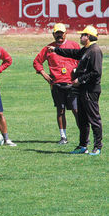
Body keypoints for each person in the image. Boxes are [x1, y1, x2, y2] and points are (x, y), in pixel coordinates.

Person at [48, 25, 103, 156]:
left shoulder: (94, 51)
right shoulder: (86, 50)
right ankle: (83, 146)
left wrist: (80, 80)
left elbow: (96, 73)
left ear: (88, 37)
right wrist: (56, 49)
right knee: (83, 119)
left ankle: (97, 146)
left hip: (90, 91)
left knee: (94, 119)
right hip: (82, 90)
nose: (80, 37)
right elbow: (73, 53)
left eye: (82, 35)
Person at [33, 23, 79, 144]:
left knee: (76, 110)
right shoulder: (48, 48)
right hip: (57, 85)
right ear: (53, 34)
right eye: (57, 33)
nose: (59, 35)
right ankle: (63, 137)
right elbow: (37, 62)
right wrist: (44, 75)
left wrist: (79, 77)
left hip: (72, 84)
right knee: (60, 110)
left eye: (61, 33)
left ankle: (84, 135)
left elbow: (82, 61)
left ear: (66, 33)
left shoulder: (74, 46)